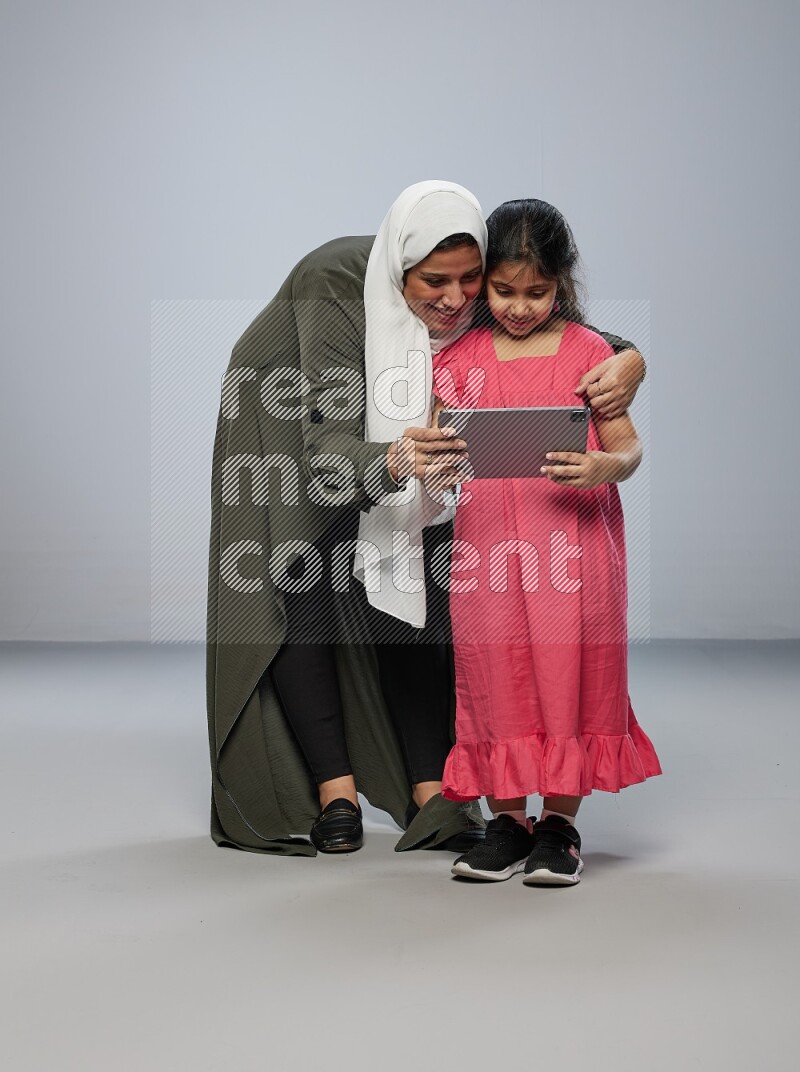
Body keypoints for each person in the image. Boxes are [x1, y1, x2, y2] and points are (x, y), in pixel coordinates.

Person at [206, 183, 647, 857]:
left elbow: (558, 328)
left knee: (405, 570)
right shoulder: (332, 282)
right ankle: (334, 789)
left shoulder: (483, 289)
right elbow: (326, 441)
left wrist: (631, 359)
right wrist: (389, 457)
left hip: (400, 415)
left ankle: (429, 787)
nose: (456, 298)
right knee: (302, 575)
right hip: (293, 415)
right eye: (434, 282)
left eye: (472, 280)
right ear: (399, 268)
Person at [432, 198, 661, 885]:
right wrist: (437, 458)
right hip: (487, 547)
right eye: (504, 291)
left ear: (562, 282)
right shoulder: (460, 356)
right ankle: (507, 822)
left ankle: (559, 824)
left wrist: (603, 467)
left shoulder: (592, 354)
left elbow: (629, 449)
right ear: (484, 282)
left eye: (537, 292)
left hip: (575, 544)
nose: (520, 307)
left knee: (571, 673)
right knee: (493, 671)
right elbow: (435, 448)